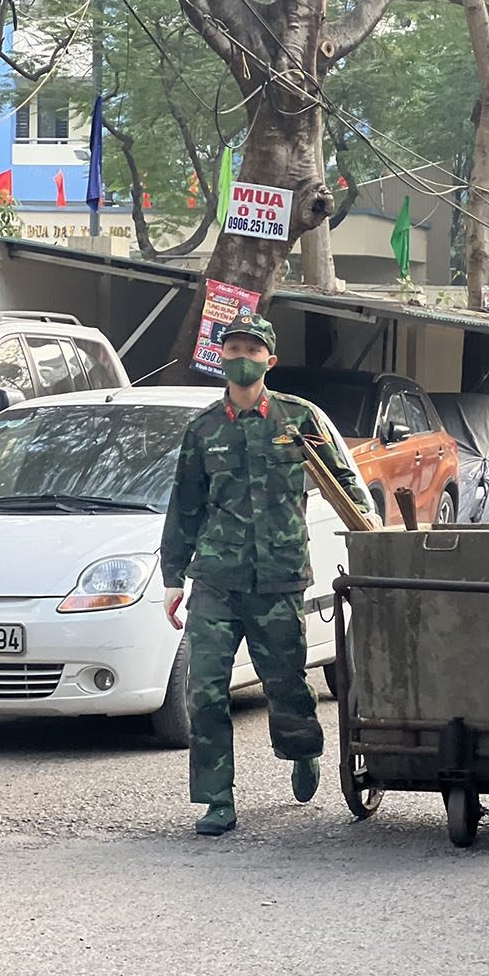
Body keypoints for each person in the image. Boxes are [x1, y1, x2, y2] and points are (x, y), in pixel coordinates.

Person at [160, 313, 376, 836]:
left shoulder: (299, 419)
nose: (242, 357)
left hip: (279, 579)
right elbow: (184, 506)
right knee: (205, 690)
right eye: (233, 347)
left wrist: (372, 538)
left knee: (286, 685)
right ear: (220, 357)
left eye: (253, 350)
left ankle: (302, 751)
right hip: (215, 579)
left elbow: (348, 488)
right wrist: (172, 578)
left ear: (269, 360)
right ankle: (216, 799)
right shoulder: (202, 430)